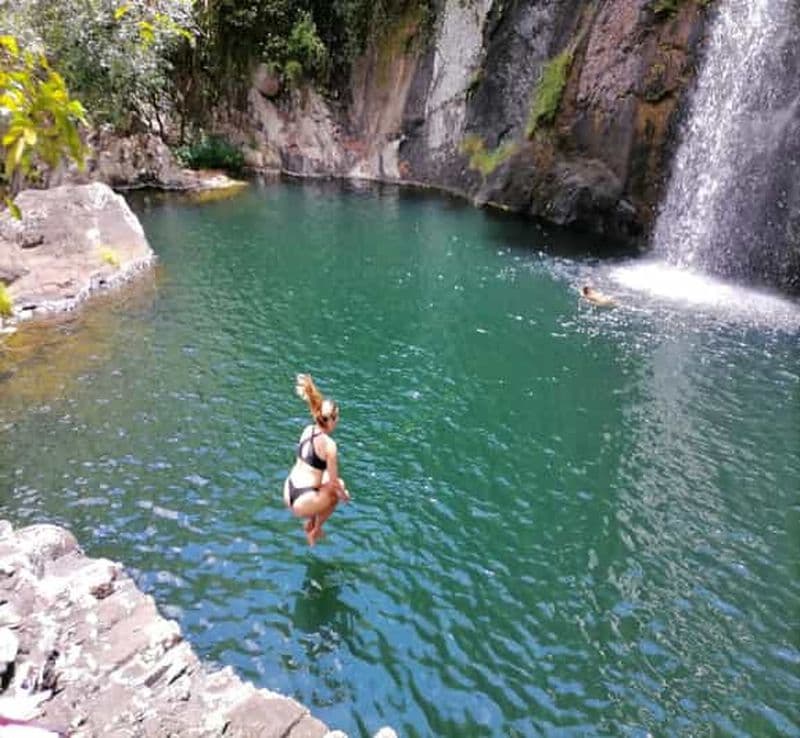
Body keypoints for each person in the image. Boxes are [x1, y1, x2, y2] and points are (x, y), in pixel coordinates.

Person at [283, 373, 350, 545]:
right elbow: (334, 484)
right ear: (333, 420)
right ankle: (315, 529)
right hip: (301, 502)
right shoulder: (330, 445)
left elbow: (317, 467)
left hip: (289, 490)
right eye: (338, 417)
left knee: (324, 478)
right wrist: (344, 496)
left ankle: (311, 523)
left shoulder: (307, 430)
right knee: (337, 490)